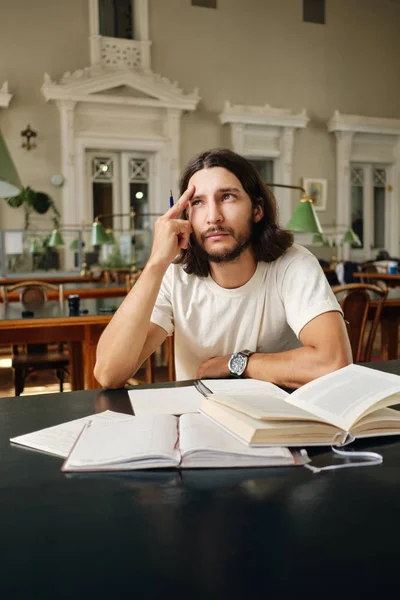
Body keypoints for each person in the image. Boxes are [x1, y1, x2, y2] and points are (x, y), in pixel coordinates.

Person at [94, 148, 352, 389]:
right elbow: (109, 373)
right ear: (185, 217)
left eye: (227, 197)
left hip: (278, 425)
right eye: (197, 202)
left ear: (257, 209)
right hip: (198, 424)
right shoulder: (174, 275)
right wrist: (155, 264)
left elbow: (333, 362)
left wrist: (237, 364)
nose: (213, 216)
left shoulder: (293, 265)